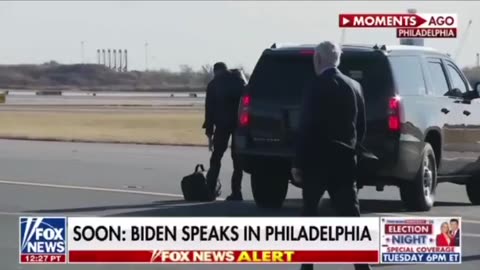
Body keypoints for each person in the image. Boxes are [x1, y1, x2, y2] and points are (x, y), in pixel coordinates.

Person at [291, 41, 369, 270]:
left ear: (318, 59)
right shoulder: (355, 86)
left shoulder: (314, 86)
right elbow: (361, 126)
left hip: (317, 161)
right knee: (350, 217)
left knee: (309, 215)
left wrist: (298, 162)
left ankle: (307, 265)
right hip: (344, 161)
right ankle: (362, 265)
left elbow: (306, 126)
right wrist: (352, 148)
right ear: (338, 60)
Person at [203, 62, 246, 201]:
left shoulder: (214, 85)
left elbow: (209, 111)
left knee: (216, 158)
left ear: (216, 71)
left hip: (222, 125)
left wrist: (209, 132)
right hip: (240, 125)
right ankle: (236, 192)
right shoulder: (240, 81)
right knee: (237, 160)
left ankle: (209, 191)